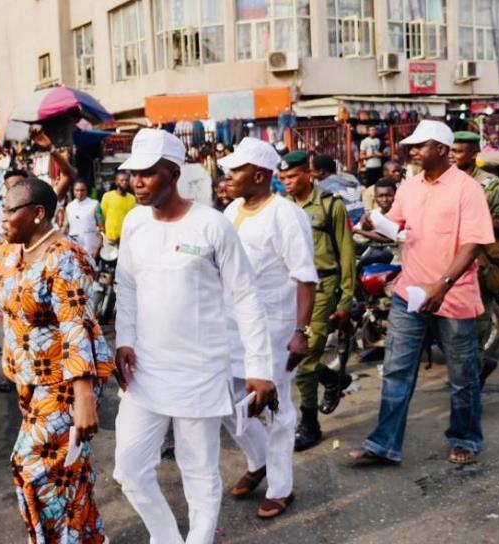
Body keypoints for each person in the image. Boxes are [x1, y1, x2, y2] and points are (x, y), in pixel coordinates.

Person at [112, 129, 276, 543]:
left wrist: (259, 369)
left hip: (200, 369)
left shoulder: (212, 225)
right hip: (145, 369)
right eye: (134, 174)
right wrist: (124, 340)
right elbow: (126, 286)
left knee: (198, 469)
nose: (137, 183)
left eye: (147, 174)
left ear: (172, 173)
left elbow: (246, 298)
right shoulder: (133, 223)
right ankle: (166, 537)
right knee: (129, 468)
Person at [0, 178, 114, 543]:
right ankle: (88, 536)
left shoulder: (64, 256)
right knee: (68, 469)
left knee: (32, 469)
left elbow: (76, 325)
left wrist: (83, 399)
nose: (3, 217)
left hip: (62, 385)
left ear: (37, 214)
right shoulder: (16, 251)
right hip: (30, 383)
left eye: (11, 210)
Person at [349, 120, 494, 466]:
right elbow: (396, 230)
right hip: (408, 293)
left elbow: (473, 244)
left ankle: (465, 439)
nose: (411, 151)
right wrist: (373, 225)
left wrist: (442, 285)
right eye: (411, 146)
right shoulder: (409, 187)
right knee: (397, 370)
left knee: (462, 377)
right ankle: (383, 444)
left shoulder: (466, 189)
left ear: (441, 150)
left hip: (453, 296)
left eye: (419, 146)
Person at [218, 138, 318, 519]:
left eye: (235, 170)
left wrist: (301, 331)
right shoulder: (230, 211)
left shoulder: (286, 214)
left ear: (259, 175)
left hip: (275, 328)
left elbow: (305, 277)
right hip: (230, 328)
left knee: (276, 409)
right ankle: (257, 460)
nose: (228, 177)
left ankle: (281, 487)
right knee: (226, 401)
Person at [281, 150, 356, 451]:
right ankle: (333, 379)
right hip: (289, 289)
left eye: (292, 176)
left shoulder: (329, 205)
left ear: (308, 174)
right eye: (282, 177)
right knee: (289, 356)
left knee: (307, 356)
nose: (286, 182)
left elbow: (347, 254)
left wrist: (345, 301)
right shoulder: (282, 208)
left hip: (323, 288)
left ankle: (309, 423)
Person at [450, 131, 499, 388]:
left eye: (458, 151)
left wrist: (474, 222)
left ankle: (472, 386)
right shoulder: (443, 183)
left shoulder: (491, 187)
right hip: (443, 267)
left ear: (474, 154)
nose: (452, 156)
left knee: (471, 334)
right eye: (449, 150)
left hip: (478, 269)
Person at [311, 153, 365, 225]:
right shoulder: (351, 178)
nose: (309, 173)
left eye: (311, 170)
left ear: (321, 171)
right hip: (362, 218)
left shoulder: (321, 186)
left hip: (345, 222)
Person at [64, 180, 104, 258]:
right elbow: (65, 227)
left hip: (91, 246)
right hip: (74, 248)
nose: (79, 193)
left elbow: (101, 228)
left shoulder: (95, 204)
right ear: (73, 191)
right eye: (77, 190)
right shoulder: (69, 207)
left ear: (87, 191)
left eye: (82, 190)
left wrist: (97, 248)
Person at [353, 179, 397, 244]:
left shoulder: (399, 215)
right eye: (380, 196)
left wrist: (358, 231)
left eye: (388, 195)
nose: (384, 199)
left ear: (395, 195)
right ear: (375, 197)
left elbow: (388, 239)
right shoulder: (372, 214)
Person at [100, 170, 136, 244]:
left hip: (126, 238)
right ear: (116, 182)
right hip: (110, 239)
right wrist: (103, 236)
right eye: (122, 180)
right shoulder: (107, 196)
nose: (124, 182)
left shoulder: (132, 198)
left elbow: (133, 219)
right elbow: (102, 217)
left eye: (126, 180)